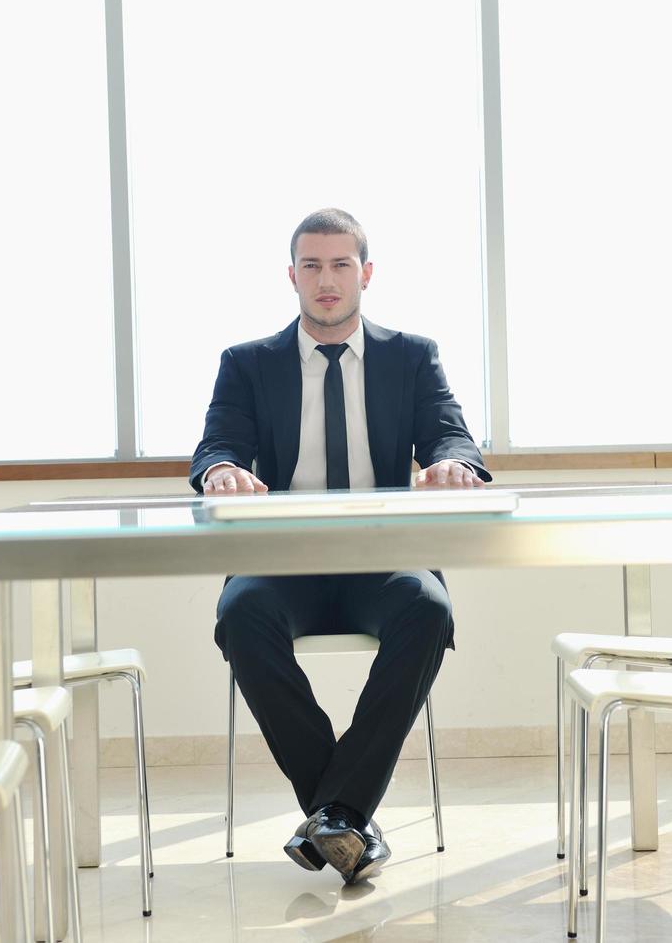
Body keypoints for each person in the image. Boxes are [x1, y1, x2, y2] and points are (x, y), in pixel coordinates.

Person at [190, 208, 491, 883]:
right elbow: (219, 443)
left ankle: (335, 812)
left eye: (341, 265)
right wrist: (220, 470)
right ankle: (346, 816)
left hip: (379, 562)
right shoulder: (246, 363)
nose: (326, 281)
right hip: (282, 562)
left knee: (429, 607)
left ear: (366, 273)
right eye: (312, 266)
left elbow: (450, 432)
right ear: (291, 276)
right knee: (241, 614)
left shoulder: (411, 356)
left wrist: (449, 464)